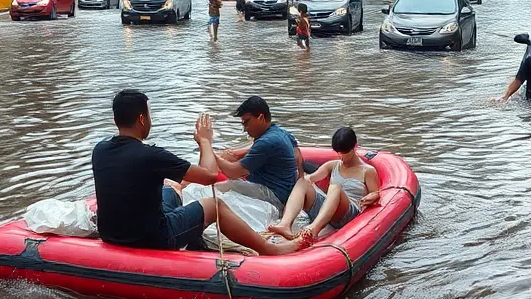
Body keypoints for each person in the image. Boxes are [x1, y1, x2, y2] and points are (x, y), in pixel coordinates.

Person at [90, 89, 300, 254]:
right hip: (153, 238)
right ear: (142, 119)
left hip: (109, 234)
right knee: (214, 204)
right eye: (149, 115)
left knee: (172, 190)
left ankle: (194, 237)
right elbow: (208, 176)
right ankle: (269, 249)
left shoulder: (99, 149)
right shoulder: (152, 155)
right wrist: (205, 142)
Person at [268, 127, 380, 246]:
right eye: (338, 152)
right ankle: (285, 224)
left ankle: (313, 229)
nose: (341, 156)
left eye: (345, 152)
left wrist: (371, 197)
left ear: (355, 146)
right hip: (329, 208)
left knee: (335, 187)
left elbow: (375, 193)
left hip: (349, 212)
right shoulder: (332, 165)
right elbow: (311, 178)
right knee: (303, 182)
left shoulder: (367, 171)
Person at [196, 96, 302, 209]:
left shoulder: (267, 141)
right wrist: (299, 179)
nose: (245, 129)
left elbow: (232, 172)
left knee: (211, 191)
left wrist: (207, 145)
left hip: (274, 196)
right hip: (284, 192)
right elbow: (297, 154)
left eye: (247, 122)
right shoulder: (281, 132)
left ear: (261, 117)